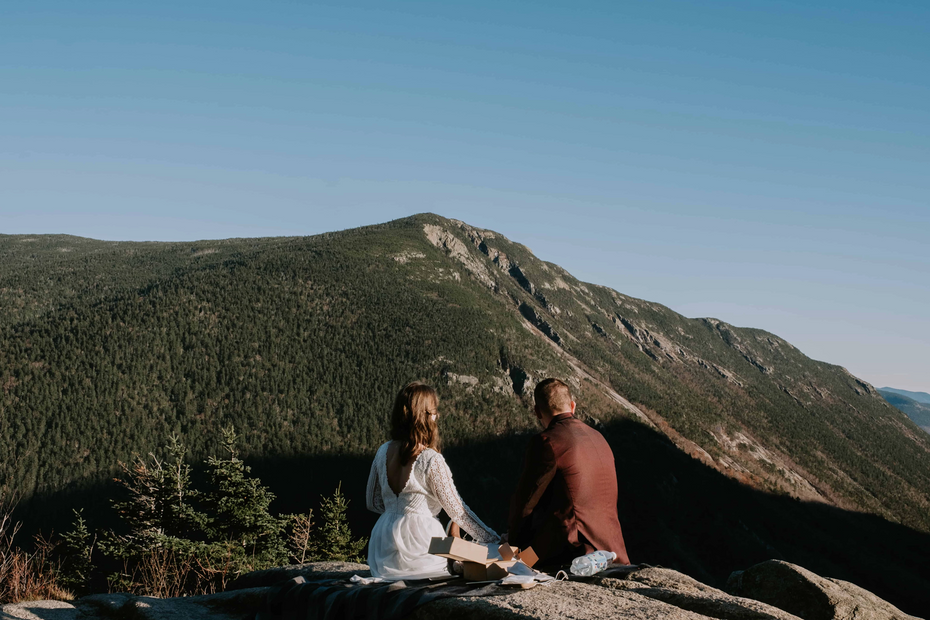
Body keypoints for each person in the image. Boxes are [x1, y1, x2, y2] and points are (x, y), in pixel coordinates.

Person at [366, 381, 500, 580]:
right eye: (435, 413)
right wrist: (494, 540)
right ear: (426, 417)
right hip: (421, 546)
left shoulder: (383, 451)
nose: (437, 418)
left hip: (382, 549)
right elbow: (459, 513)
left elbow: (373, 503)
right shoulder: (430, 459)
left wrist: (396, 513)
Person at [508, 378, 631, 568]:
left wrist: (514, 545)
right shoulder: (599, 437)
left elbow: (526, 502)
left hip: (575, 552)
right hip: (614, 550)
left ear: (537, 411)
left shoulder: (547, 442)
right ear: (572, 406)